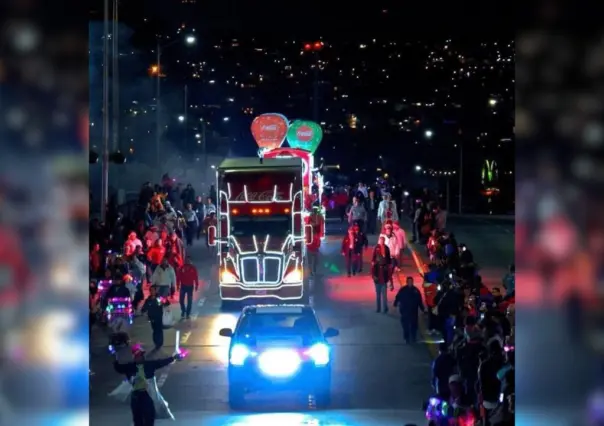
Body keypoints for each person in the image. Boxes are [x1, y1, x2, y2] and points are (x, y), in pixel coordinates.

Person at [113, 345, 181, 426]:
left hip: (148, 396)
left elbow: (162, 362)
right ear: (135, 357)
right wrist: (115, 355)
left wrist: (174, 358)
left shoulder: (149, 365)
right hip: (137, 397)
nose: (141, 358)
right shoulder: (130, 367)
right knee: (138, 420)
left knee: (148, 418)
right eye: (138, 356)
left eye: (142, 356)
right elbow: (119, 368)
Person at [393, 276, 425, 343]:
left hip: (413, 311)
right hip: (405, 310)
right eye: (409, 281)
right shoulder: (403, 290)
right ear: (407, 282)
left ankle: (413, 337)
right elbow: (398, 297)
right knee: (405, 325)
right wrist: (395, 304)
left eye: (411, 281)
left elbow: (419, 300)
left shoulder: (416, 290)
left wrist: (422, 309)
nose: (410, 283)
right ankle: (406, 337)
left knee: (414, 325)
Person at [371, 235, 393, 313]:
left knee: (384, 295)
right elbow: (372, 272)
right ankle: (378, 308)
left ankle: (385, 308)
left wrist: (390, 282)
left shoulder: (387, 248)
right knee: (378, 295)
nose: (382, 242)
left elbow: (389, 258)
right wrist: (374, 278)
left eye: (383, 240)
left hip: (384, 281)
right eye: (380, 240)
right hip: (377, 281)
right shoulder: (376, 248)